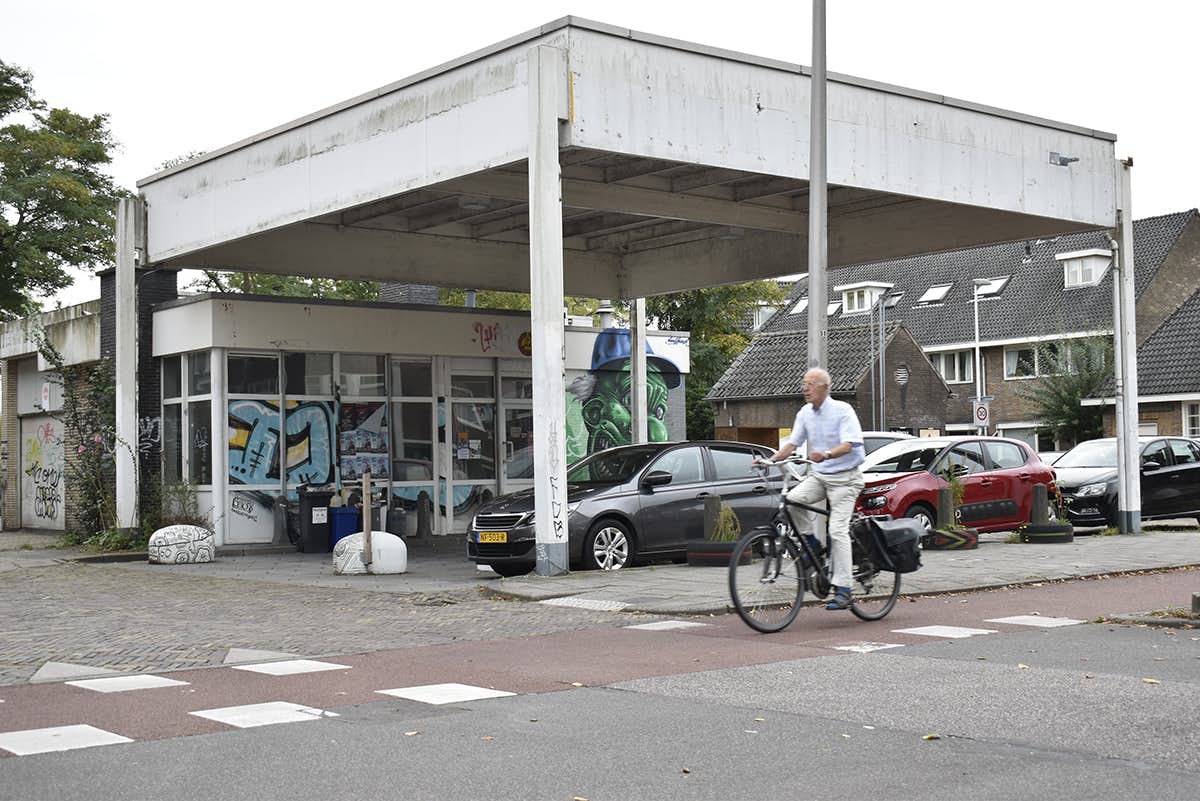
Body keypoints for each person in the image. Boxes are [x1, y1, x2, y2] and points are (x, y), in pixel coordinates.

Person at [761, 367, 865, 610]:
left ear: (825, 387)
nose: (805, 388)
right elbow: (792, 444)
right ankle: (812, 543)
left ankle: (844, 588)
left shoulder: (842, 410)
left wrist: (827, 453)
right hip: (821, 476)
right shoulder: (805, 413)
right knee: (794, 499)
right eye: (804, 383)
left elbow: (850, 444)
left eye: (811, 383)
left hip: (846, 478)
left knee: (838, 531)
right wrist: (770, 460)